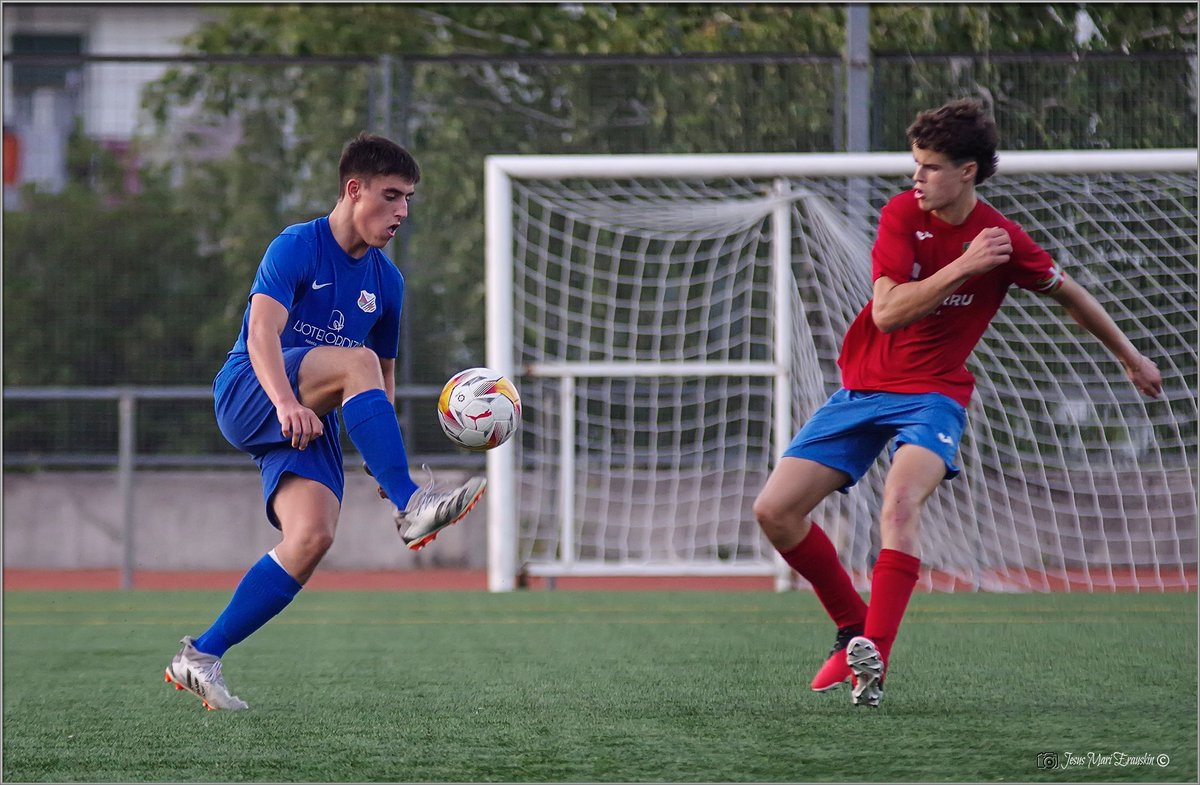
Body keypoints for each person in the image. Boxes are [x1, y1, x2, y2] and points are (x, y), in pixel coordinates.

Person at [753, 99, 1163, 708]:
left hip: (933, 396)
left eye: (930, 167)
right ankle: (851, 628)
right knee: (775, 511)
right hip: (863, 387)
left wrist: (1130, 356)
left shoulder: (1005, 240)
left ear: (968, 171)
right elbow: (888, 313)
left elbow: (1070, 294)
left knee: (899, 504)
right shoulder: (903, 216)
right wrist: (967, 266)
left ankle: (875, 664)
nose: (915, 179)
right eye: (914, 164)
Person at [164, 132, 487, 711]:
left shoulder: (388, 283)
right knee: (354, 360)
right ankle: (411, 505)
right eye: (391, 196)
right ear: (353, 189)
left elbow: (379, 383)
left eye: (409, 199)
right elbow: (262, 333)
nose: (402, 212)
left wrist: (383, 464)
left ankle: (200, 656)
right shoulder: (298, 245)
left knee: (312, 538)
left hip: (311, 418)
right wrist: (287, 402)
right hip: (251, 391)